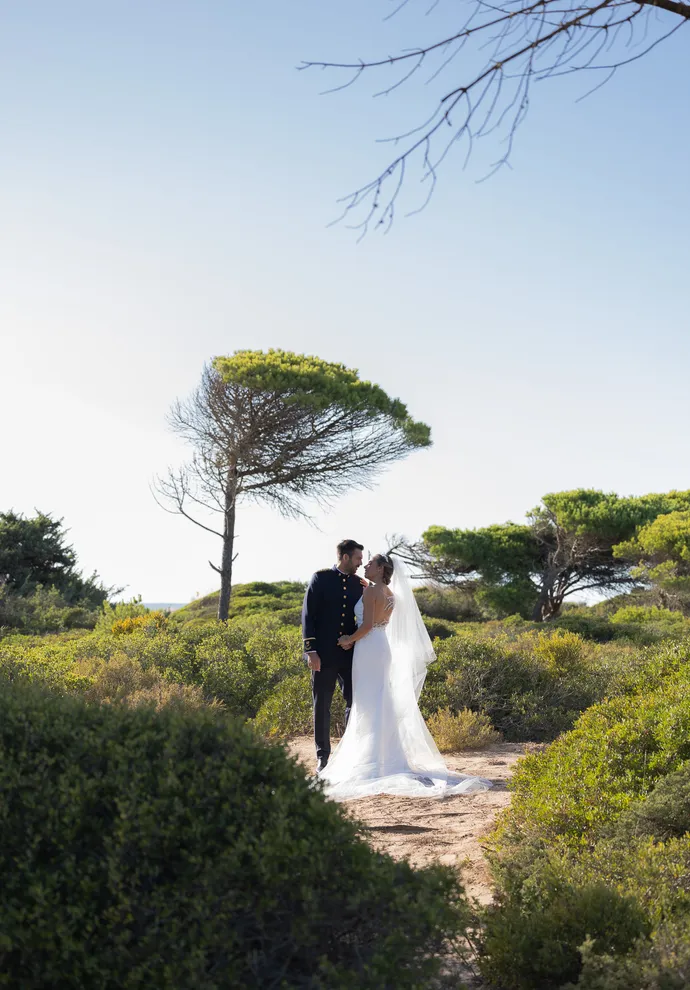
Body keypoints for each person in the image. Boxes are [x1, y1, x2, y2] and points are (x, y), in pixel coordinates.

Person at [317, 552, 492, 800]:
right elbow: (377, 624)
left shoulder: (370, 592)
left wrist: (348, 639)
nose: (365, 566)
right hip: (382, 646)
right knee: (380, 698)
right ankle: (388, 758)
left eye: (370, 563)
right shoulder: (390, 593)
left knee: (367, 700)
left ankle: (369, 760)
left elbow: (366, 626)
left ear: (380, 569)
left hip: (367, 647)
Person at [301, 539, 364, 773]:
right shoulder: (321, 578)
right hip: (323, 655)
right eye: (358, 558)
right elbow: (308, 616)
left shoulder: (360, 584)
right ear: (345, 557)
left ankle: (349, 752)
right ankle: (322, 757)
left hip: (350, 656)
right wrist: (311, 651)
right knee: (322, 705)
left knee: (354, 703)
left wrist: (354, 640)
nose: (361, 563)